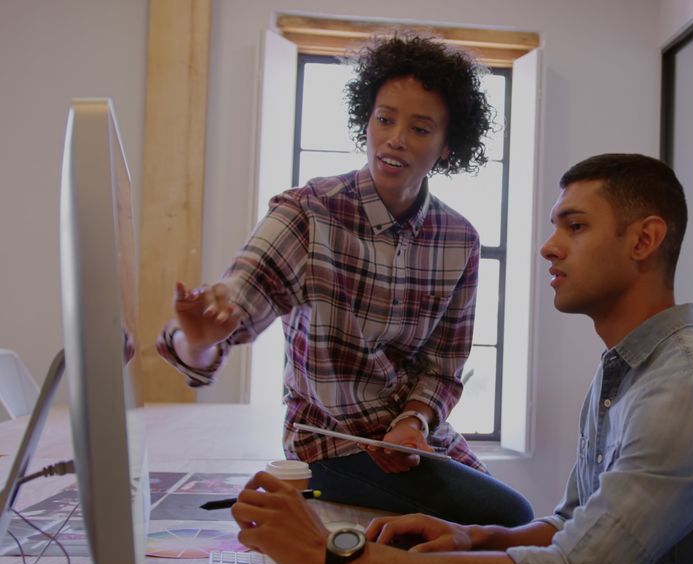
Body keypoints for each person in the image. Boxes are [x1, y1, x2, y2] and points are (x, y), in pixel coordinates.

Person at [229, 153, 693, 564]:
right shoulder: (626, 372)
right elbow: (570, 525)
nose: (549, 248)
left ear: (645, 240)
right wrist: (476, 536)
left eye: (575, 227)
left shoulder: (686, 390)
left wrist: (330, 557)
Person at [155, 32, 532, 526]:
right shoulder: (308, 212)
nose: (395, 137)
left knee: (517, 529)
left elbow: (442, 368)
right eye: (385, 118)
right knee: (510, 515)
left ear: (446, 147)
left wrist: (413, 421)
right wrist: (198, 339)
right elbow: (237, 301)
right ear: (367, 119)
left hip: (414, 438)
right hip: (330, 444)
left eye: (420, 129)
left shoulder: (460, 240)